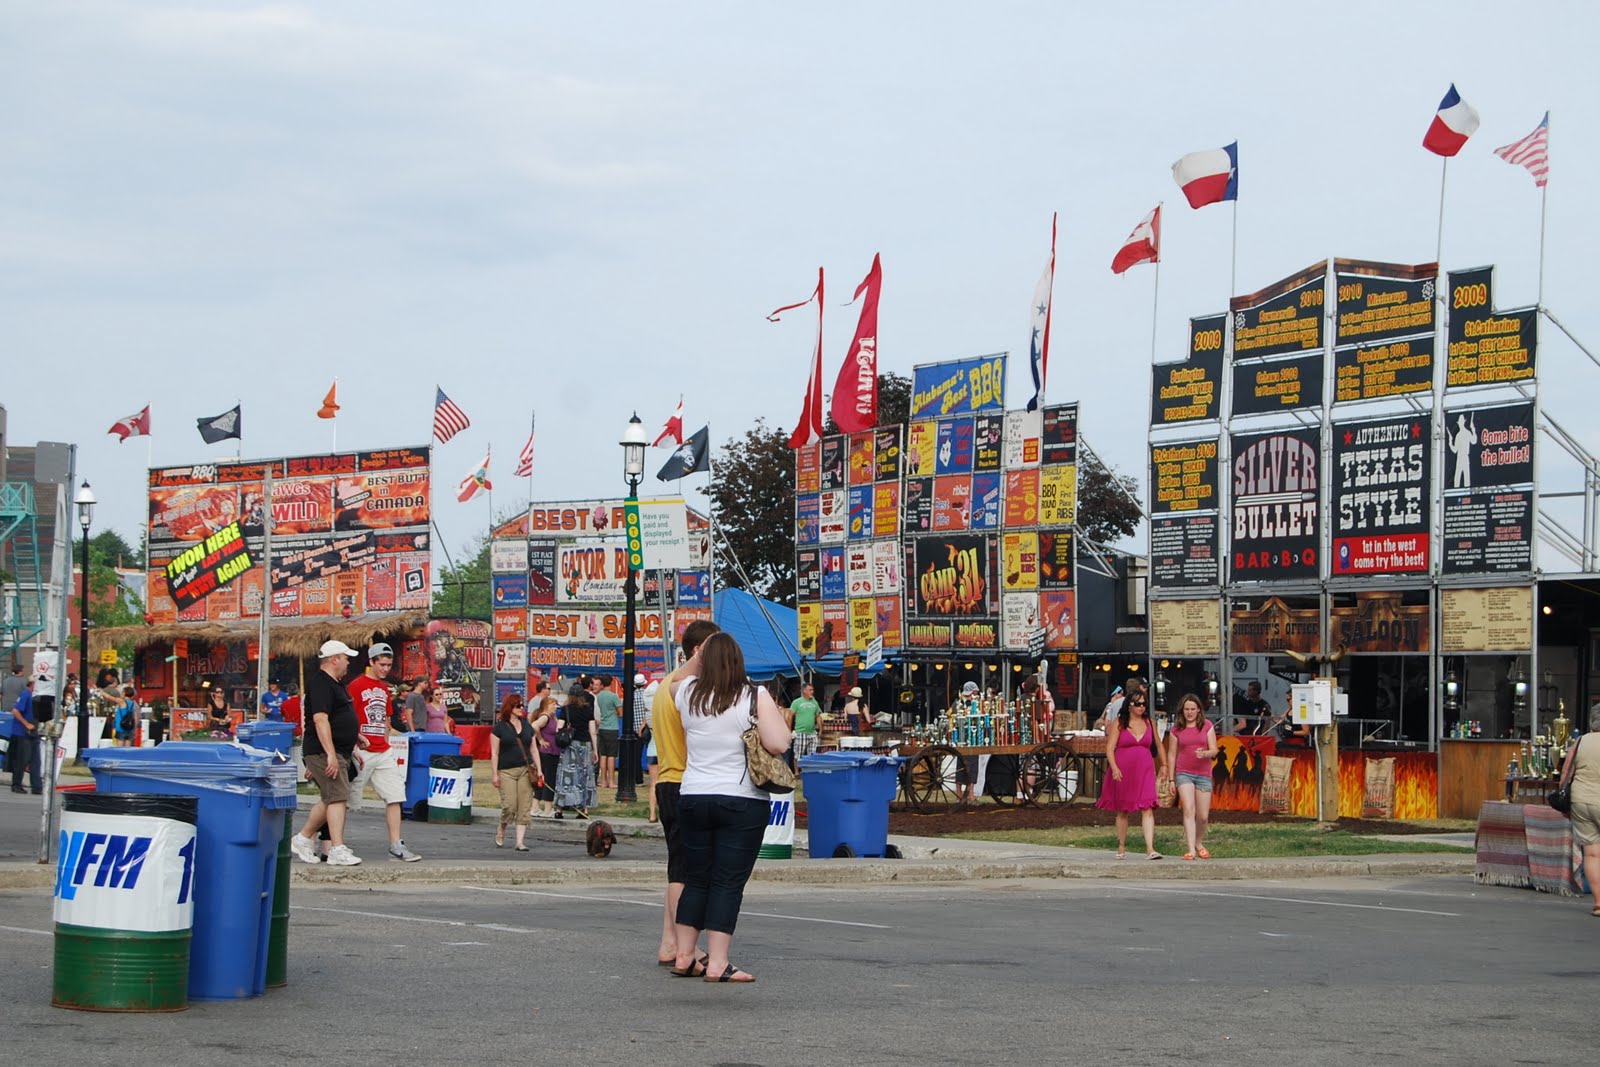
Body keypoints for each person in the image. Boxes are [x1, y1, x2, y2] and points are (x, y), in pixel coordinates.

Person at [669, 632, 791, 983]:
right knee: (726, 882)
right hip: (741, 800)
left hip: (693, 796)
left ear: (703, 661)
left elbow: (676, 678)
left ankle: (685, 954)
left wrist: (700, 653)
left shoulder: (689, 692)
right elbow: (778, 742)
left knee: (696, 878)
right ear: (739, 662)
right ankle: (719, 962)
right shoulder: (754, 696)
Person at [652, 620, 720, 967]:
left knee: (677, 868)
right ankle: (685, 947)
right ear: (699, 651)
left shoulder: (668, 683)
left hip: (668, 778)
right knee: (688, 873)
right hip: (684, 780)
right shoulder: (688, 688)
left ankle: (670, 943)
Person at [289, 640, 366, 866]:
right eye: (345, 658)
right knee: (338, 796)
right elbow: (320, 719)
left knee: (332, 796)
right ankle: (336, 848)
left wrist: (354, 737)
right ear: (334, 659)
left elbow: (338, 718)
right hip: (324, 750)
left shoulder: (336, 684)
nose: (348, 662)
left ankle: (303, 838)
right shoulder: (321, 683)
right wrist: (330, 753)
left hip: (338, 749)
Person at [345, 643, 421, 862]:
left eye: (388, 665)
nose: (385, 669)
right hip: (362, 750)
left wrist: (386, 740)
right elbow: (348, 717)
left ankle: (396, 844)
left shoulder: (384, 688)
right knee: (343, 799)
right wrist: (352, 746)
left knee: (395, 796)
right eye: (382, 664)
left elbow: (387, 718)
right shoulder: (356, 685)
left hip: (382, 750)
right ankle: (326, 840)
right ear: (371, 662)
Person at [1097, 689, 1168, 859]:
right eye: (1137, 704)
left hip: (1144, 768)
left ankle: (1150, 848)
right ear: (1129, 705)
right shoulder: (1119, 723)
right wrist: (1114, 767)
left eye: (1144, 704)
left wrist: (1164, 765)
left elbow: (1159, 745)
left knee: (1148, 806)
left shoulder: (1150, 723)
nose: (1141, 707)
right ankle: (1121, 846)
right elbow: (1110, 748)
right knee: (1123, 809)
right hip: (1123, 768)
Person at [1164, 693, 1218, 861]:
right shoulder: (1176, 729)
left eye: (1193, 709)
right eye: (1186, 709)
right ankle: (1190, 849)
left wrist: (1206, 753)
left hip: (1203, 773)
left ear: (1198, 710)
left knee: (1203, 816)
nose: (1189, 712)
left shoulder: (1207, 725)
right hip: (1183, 772)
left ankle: (1198, 842)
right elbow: (1172, 754)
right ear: (1182, 711)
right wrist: (1171, 779)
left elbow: (1215, 750)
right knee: (1188, 809)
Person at [1557, 718, 1600, 917]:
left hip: (1580, 800)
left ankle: (1599, 904)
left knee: (1591, 854)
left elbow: (1566, 772)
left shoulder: (1580, 741)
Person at [490, 692, 544, 851]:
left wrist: (539, 770)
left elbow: (534, 750)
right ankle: (502, 826)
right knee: (510, 805)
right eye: (518, 705)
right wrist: (494, 774)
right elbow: (494, 752)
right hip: (506, 770)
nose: (522, 708)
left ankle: (519, 841)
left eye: (522, 705)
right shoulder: (499, 728)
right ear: (510, 707)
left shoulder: (527, 726)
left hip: (525, 770)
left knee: (524, 805)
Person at [554, 682, 598, 818]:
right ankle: (583, 808)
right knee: (585, 775)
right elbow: (593, 732)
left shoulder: (565, 710)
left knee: (566, 775)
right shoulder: (588, 710)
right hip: (585, 745)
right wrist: (595, 750)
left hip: (570, 745)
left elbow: (558, 728)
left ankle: (559, 808)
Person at [531, 687, 562, 819]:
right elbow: (534, 726)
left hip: (553, 752)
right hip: (547, 753)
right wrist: (541, 739)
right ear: (546, 706)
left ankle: (535, 807)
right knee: (549, 779)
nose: (555, 706)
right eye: (553, 704)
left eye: (556, 704)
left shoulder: (553, 717)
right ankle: (547, 808)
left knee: (542, 779)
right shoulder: (545, 717)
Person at [9, 679, 41, 794]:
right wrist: (26, 724)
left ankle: (37, 786)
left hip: (34, 731)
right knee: (22, 760)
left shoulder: (37, 696)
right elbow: (15, 711)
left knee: (36, 760)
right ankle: (16, 784)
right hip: (22, 733)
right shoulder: (26, 694)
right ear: (33, 684)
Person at [593, 674, 621, 790]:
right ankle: (611, 781)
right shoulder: (613, 696)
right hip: (612, 727)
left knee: (603, 755)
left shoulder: (599, 696)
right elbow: (621, 712)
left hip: (602, 727)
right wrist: (615, 712)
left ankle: (603, 780)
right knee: (611, 756)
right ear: (611, 682)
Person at [789, 681, 822, 761]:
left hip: (812, 733)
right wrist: (789, 730)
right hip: (800, 732)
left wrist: (821, 730)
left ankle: (810, 771)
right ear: (804, 691)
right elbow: (790, 716)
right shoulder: (797, 702)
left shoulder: (814, 702)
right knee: (798, 755)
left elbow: (818, 716)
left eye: (812, 690)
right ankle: (797, 772)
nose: (812, 692)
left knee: (813, 755)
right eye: (810, 690)